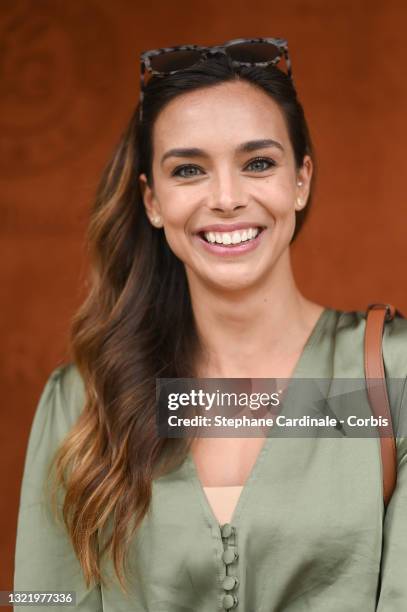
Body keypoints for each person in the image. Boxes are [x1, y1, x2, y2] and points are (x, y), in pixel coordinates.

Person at [14, 38, 407, 611]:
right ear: (152, 200)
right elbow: (40, 600)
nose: (226, 198)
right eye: (189, 169)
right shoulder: (81, 400)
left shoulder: (390, 378)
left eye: (258, 163)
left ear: (299, 181)